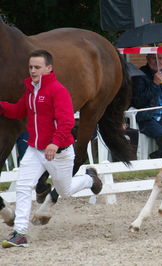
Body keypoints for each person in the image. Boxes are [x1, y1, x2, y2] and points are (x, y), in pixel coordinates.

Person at [0, 50, 102, 248]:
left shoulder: (58, 90)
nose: (33, 71)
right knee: (23, 186)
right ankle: (20, 233)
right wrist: (2, 107)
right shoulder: (30, 90)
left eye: (37, 67)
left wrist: (55, 143)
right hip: (35, 149)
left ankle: (91, 179)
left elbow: (67, 121)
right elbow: (20, 110)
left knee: (65, 190)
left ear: (49, 68)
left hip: (59, 152)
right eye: (30, 67)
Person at [131, 53, 162, 159]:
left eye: (160, 58)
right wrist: (154, 84)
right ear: (147, 59)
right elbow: (138, 102)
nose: (158, 61)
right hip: (148, 118)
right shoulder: (139, 75)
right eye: (154, 58)